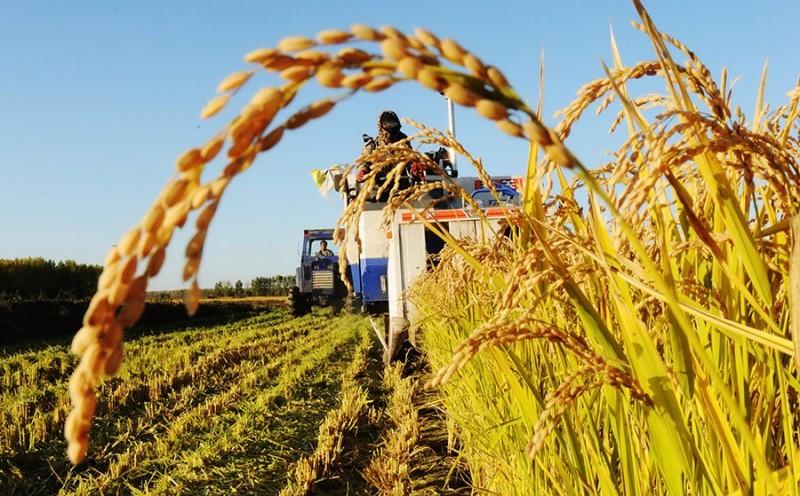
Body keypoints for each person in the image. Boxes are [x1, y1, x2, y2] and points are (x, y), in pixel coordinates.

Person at [357, 110, 411, 183]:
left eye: (394, 125)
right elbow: (364, 161)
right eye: (388, 125)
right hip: (378, 187)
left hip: (401, 185)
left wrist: (416, 166)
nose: (392, 131)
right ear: (382, 127)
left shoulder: (404, 143)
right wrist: (362, 171)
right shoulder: (373, 145)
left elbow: (411, 158)